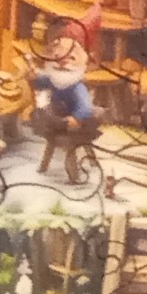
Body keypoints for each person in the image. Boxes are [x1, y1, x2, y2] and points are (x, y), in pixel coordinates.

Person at [33, 14, 102, 181]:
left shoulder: (77, 87)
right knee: (46, 118)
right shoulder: (54, 78)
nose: (63, 62)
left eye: (71, 58)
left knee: (72, 136)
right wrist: (34, 78)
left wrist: (76, 117)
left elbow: (85, 107)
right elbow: (42, 82)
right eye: (58, 56)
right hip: (57, 117)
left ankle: (74, 175)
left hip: (73, 123)